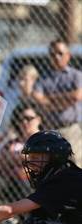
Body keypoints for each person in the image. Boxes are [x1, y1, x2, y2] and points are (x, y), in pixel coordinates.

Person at [32, 39, 82, 167]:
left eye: (60, 53)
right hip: (50, 130)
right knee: (51, 167)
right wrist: (66, 100)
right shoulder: (43, 78)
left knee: (75, 164)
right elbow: (39, 99)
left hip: (70, 129)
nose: (56, 57)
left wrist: (50, 98)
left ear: (68, 56)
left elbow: (77, 95)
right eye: (53, 54)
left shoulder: (76, 75)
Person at [0, 101, 43, 202]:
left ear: (38, 120)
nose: (24, 122)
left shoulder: (45, 139)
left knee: (23, 182)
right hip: (10, 179)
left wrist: (11, 158)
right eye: (21, 119)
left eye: (29, 119)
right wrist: (20, 159)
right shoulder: (12, 142)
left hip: (32, 182)